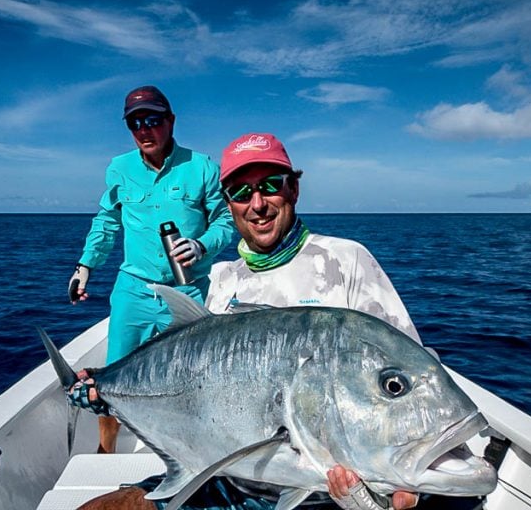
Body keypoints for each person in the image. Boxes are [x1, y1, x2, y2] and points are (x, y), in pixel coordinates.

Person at [74, 133, 420, 510]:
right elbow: (191, 386)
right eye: (241, 192)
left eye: (271, 186)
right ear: (228, 203)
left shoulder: (346, 261)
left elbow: (407, 379)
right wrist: (108, 393)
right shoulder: (222, 280)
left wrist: (400, 489)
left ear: (294, 189)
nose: (257, 204)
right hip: (223, 477)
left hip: (319, 493)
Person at [68, 85, 234, 454]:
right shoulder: (119, 168)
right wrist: (85, 265)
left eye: (153, 120)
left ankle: (187, 450)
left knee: (191, 375)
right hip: (134, 289)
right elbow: (107, 222)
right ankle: (106, 451)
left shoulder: (203, 167)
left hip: (188, 289)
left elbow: (225, 221)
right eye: (135, 123)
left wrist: (201, 245)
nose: (144, 129)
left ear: (171, 121)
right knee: (111, 377)